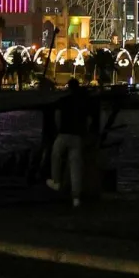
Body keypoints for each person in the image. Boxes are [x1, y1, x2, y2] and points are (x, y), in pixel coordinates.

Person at [46, 78, 95, 206]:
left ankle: (56, 181)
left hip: (64, 133)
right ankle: (76, 198)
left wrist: (58, 129)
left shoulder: (63, 101)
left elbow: (57, 116)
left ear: (69, 87)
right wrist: (86, 133)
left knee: (55, 155)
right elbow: (89, 120)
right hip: (77, 136)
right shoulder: (83, 102)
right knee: (75, 166)